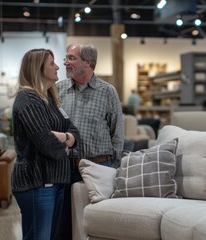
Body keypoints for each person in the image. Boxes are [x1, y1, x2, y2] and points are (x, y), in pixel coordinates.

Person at [56, 43, 124, 239]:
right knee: (64, 225)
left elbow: (117, 132)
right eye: (66, 57)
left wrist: (114, 168)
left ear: (88, 62)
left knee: (98, 224)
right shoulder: (58, 90)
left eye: (71, 58)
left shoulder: (107, 92)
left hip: (100, 167)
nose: (65, 62)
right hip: (66, 168)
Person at [10, 48, 80, 240]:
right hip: (37, 183)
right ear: (37, 69)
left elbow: (74, 132)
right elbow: (46, 143)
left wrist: (64, 137)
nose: (58, 67)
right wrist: (67, 142)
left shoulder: (50, 99)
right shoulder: (28, 99)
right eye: (52, 63)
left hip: (56, 181)